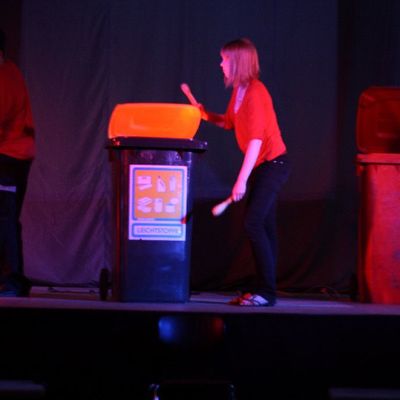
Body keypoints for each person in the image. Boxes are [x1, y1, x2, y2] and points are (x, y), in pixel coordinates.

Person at [199, 38, 290, 306]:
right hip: (263, 167)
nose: (221, 64)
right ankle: (264, 289)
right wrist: (204, 114)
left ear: (237, 62)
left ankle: (267, 293)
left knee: (253, 222)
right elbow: (229, 122)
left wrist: (241, 181)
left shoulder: (256, 92)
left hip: (274, 165)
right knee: (264, 226)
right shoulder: (239, 91)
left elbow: (256, 141)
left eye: (225, 59)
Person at [0, 28, 35, 296]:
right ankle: (12, 279)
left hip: (8, 158)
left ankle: (12, 281)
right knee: (6, 218)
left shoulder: (5, 78)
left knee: (5, 219)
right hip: (13, 156)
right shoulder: (10, 72)